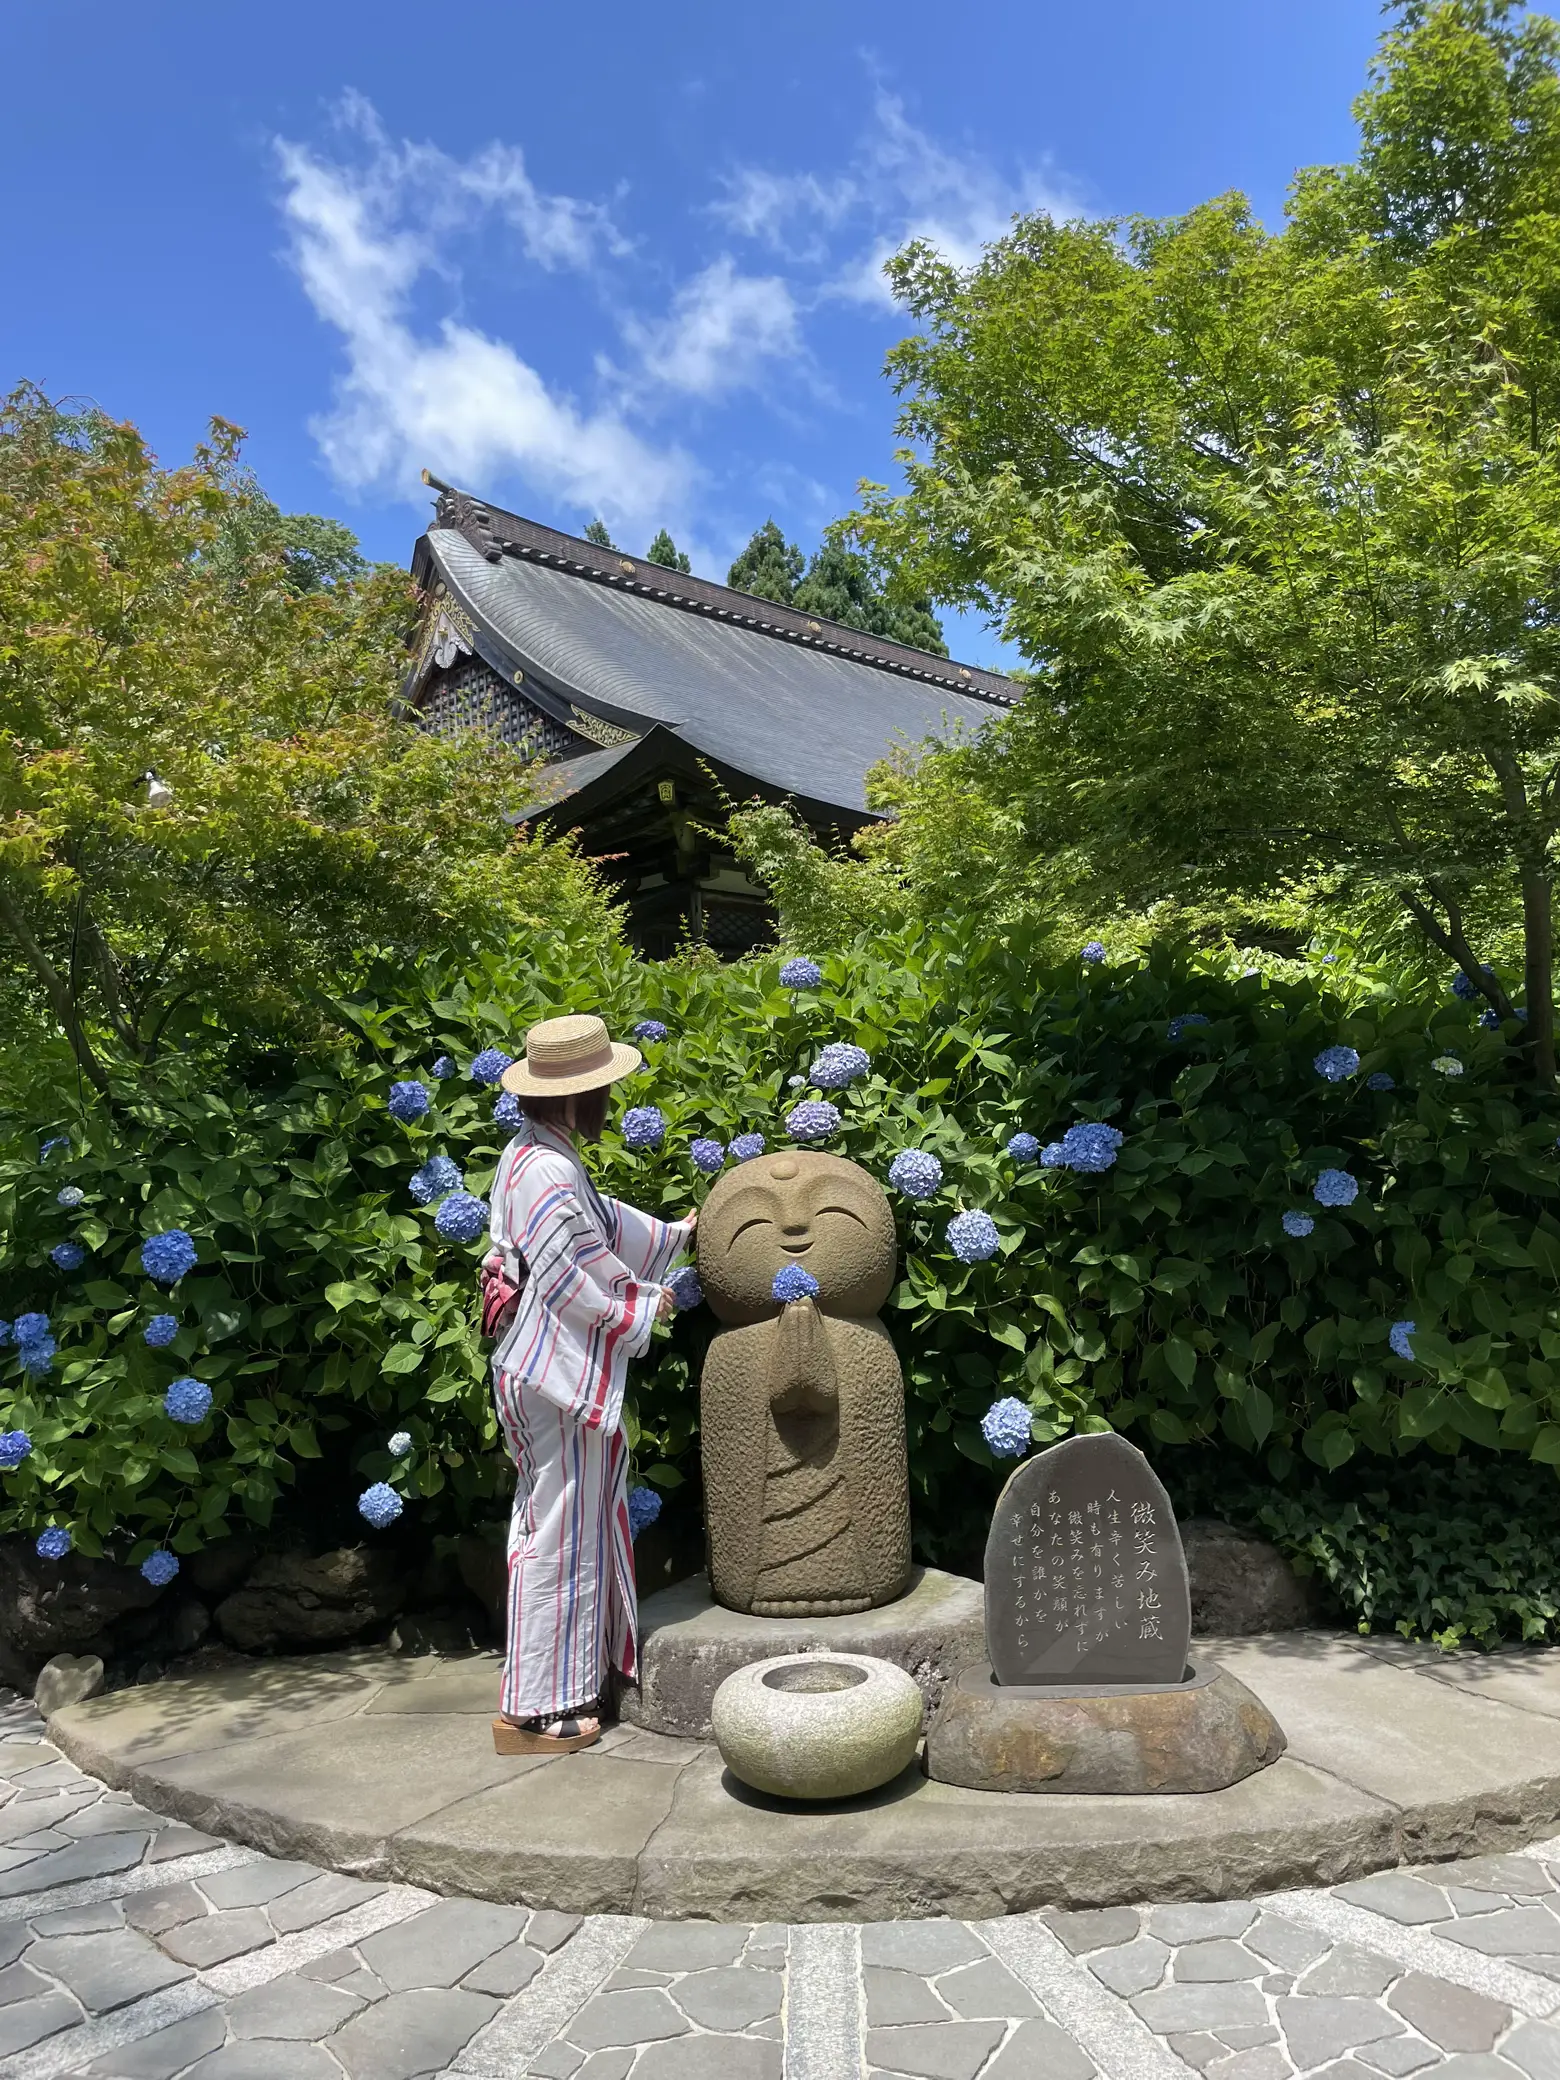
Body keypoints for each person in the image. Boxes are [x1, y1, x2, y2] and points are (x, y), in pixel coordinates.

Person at [485, 1014, 694, 1755]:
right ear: (575, 1098)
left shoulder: (531, 1155)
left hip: (532, 1368)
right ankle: (543, 1705)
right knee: (560, 1534)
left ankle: (553, 1687)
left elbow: (598, 1222)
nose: (608, 1102)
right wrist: (640, 1302)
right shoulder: (547, 1169)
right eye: (602, 1090)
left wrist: (674, 1233)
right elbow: (570, 1272)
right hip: (554, 1377)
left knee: (551, 1524)